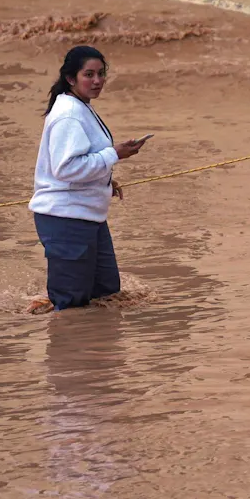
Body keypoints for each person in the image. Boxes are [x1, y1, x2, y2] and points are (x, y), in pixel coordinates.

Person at [27, 46, 148, 312]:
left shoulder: (80, 106)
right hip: (66, 219)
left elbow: (80, 161)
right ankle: (70, 347)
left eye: (101, 74)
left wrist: (104, 180)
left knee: (106, 290)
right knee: (71, 305)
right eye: (89, 74)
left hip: (87, 216)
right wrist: (114, 155)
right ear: (71, 79)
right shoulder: (69, 114)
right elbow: (67, 169)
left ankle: (96, 347)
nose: (97, 81)